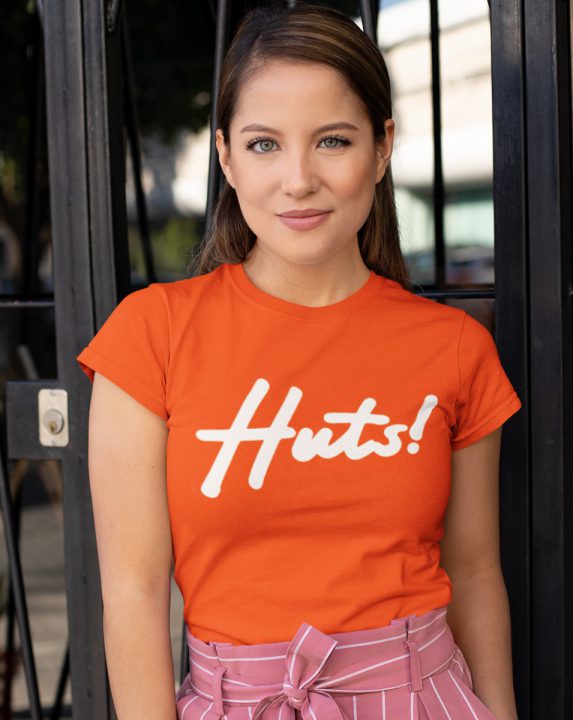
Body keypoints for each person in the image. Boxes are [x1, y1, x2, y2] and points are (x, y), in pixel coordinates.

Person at [76, 3, 522, 719]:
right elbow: (132, 589)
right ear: (225, 156)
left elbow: (472, 572)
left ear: (381, 149)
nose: (298, 179)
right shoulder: (151, 335)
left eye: (333, 141)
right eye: (263, 145)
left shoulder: (454, 347)